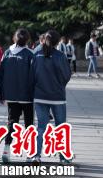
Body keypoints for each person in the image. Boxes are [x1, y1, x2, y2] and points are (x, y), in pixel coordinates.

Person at [30, 30, 72, 164]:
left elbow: (32, 75)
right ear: (57, 42)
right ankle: (63, 158)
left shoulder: (37, 54)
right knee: (60, 127)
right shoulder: (60, 56)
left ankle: (36, 156)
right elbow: (66, 75)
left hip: (40, 95)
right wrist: (59, 85)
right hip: (57, 96)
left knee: (41, 127)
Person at [0, 28, 35, 163]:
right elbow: (34, 76)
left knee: (12, 123)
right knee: (29, 124)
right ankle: (30, 154)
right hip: (27, 96)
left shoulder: (7, 53)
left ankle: (6, 151)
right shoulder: (30, 54)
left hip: (11, 95)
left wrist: (1, 94)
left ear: (14, 38)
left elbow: (0, 75)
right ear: (27, 40)